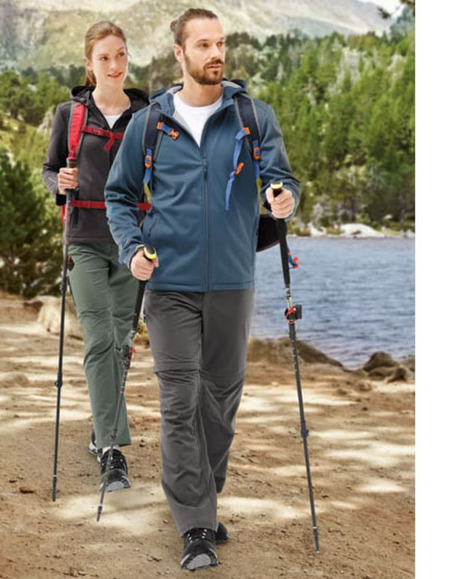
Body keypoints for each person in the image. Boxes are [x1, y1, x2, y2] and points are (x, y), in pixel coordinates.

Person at [104, 8, 300, 572]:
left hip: (234, 280)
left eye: (221, 44)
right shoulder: (151, 123)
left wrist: (282, 197)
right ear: (179, 54)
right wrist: (131, 248)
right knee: (179, 401)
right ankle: (194, 526)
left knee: (220, 403)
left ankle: (202, 499)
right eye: (204, 45)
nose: (216, 54)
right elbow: (120, 196)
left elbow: (282, 181)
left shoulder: (252, 118)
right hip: (168, 283)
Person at [42, 21, 149, 493]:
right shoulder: (70, 113)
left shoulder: (147, 114)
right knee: (100, 337)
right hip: (83, 239)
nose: (114, 65)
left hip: (133, 245)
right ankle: (111, 450)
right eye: (104, 57)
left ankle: (100, 426)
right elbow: (50, 169)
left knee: (123, 341)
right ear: (90, 64)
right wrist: (58, 184)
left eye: (121, 55)